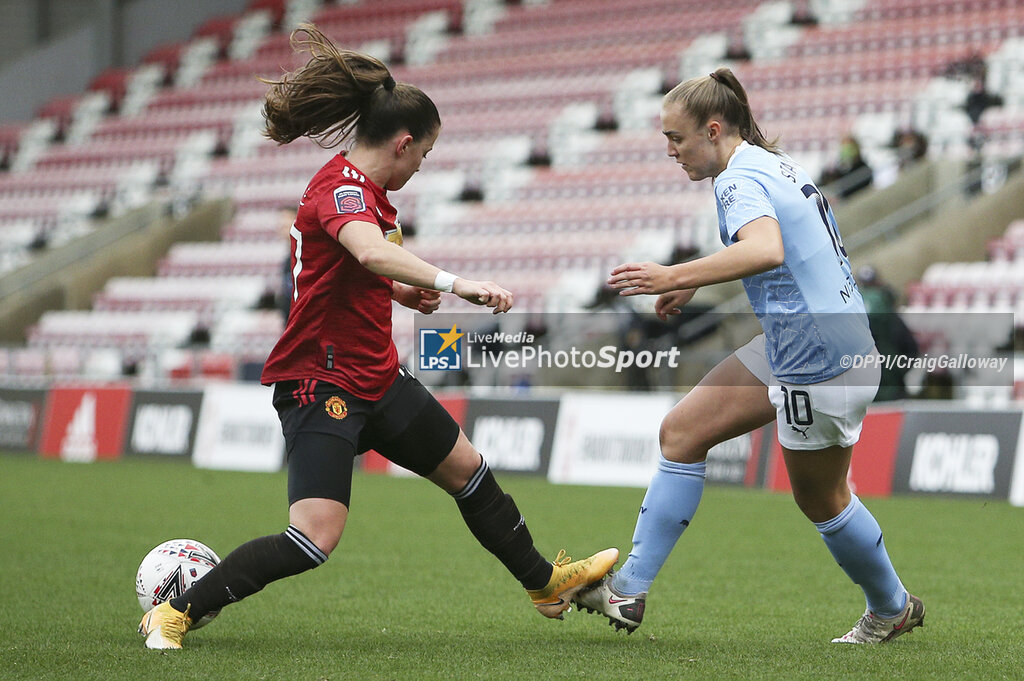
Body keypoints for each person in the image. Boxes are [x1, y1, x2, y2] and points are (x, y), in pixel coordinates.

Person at [139, 24, 617, 650]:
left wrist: (402, 293)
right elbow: (366, 250)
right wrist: (455, 282)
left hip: (377, 375)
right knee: (314, 537)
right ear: (403, 142)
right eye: (425, 155)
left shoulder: (368, 195)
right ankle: (175, 611)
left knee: (468, 471)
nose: (422, 166)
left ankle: (544, 583)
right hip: (321, 380)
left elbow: (351, 268)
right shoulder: (340, 189)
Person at [573, 68, 924, 644]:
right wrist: (699, 284)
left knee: (823, 499)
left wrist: (675, 273)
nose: (670, 151)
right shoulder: (767, 162)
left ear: (713, 130)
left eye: (675, 139)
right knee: (682, 432)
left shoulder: (737, 180)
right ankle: (628, 588)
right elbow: (778, 249)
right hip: (814, 341)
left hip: (817, 361)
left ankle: (891, 607)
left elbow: (765, 248)